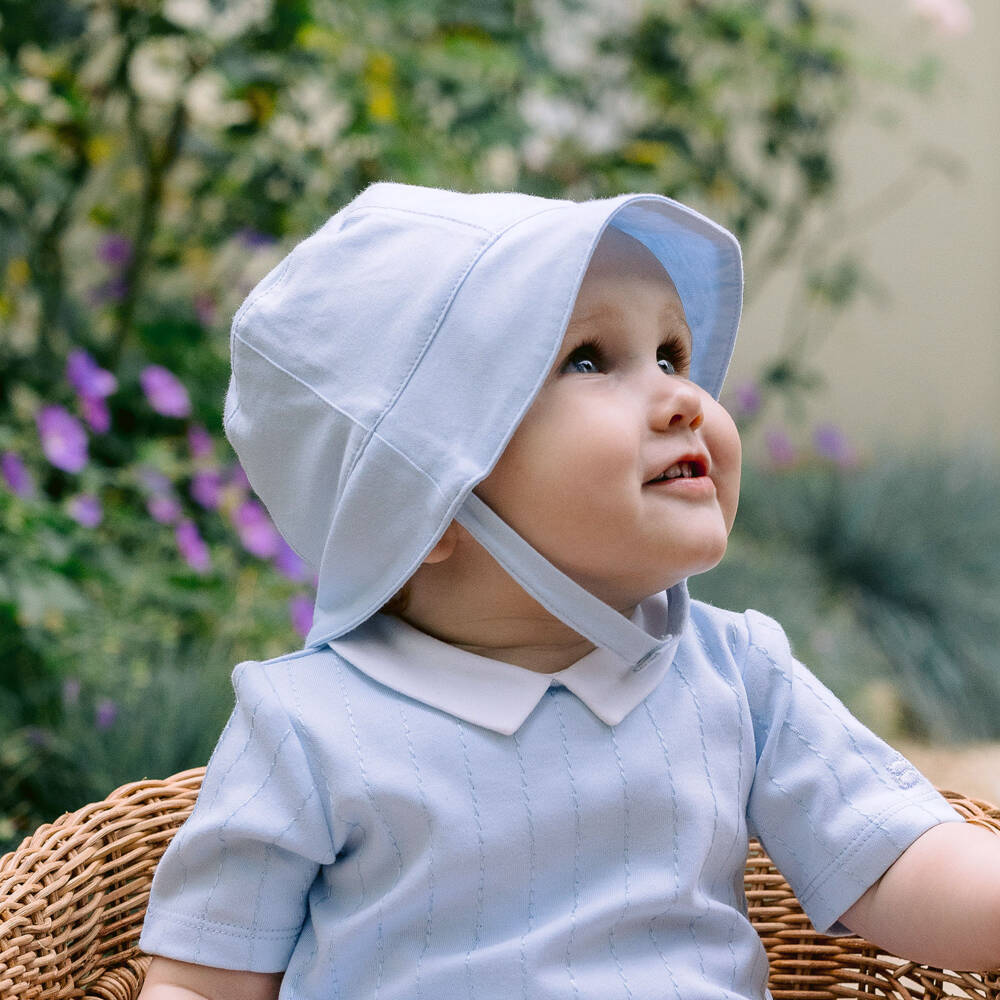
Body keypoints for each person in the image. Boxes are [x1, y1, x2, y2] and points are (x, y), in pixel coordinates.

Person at [137, 183, 1000, 1000]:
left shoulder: (735, 675)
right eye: (589, 360)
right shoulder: (309, 727)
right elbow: (202, 982)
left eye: (671, 355)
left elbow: (899, 861)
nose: (682, 398)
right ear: (426, 504)